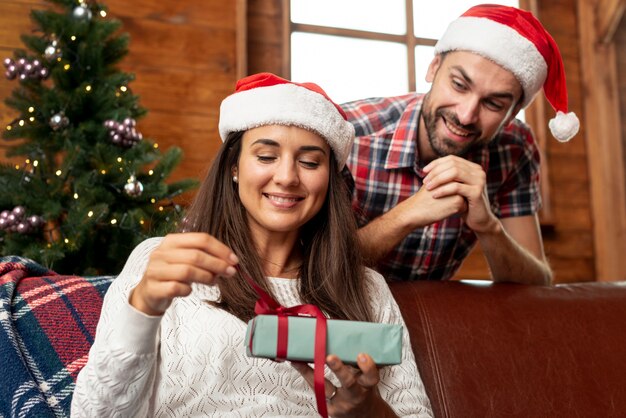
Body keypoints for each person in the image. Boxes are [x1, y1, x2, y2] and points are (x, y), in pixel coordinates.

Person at [71, 73, 433, 417]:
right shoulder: (161, 261)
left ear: (331, 180)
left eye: (309, 161)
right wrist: (143, 308)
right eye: (265, 156)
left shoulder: (368, 289)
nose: (287, 177)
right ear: (234, 166)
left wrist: (370, 414)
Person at [341, 4, 579, 284]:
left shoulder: (515, 148)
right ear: (433, 68)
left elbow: (537, 284)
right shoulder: (349, 134)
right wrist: (405, 216)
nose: (466, 115)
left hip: (433, 320)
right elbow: (300, 270)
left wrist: (488, 227)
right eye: (459, 85)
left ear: (511, 114)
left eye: (493, 103)